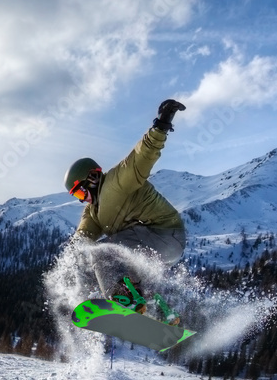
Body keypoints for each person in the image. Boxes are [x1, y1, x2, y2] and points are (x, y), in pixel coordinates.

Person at [63, 99, 187, 322]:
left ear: (92, 178)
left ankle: (120, 299)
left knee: (102, 253)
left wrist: (161, 126)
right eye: (78, 197)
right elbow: (83, 235)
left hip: (164, 234)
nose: (83, 199)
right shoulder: (93, 211)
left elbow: (141, 157)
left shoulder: (117, 181)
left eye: (81, 192)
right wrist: (70, 255)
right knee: (129, 271)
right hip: (159, 247)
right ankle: (161, 313)